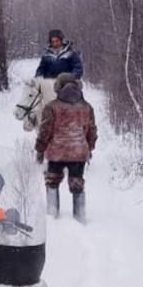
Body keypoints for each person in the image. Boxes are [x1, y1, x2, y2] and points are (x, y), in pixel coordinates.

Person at [35, 73, 97, 223]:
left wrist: (40, 148)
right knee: (77, 184)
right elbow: (92, 131)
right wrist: (89, 148)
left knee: (52, 182)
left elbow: (45, 131)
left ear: (58, 87)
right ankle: (79, 217)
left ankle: (52, 216)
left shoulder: (51, 107)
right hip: (78, 152)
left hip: (56, 153)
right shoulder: (86, 107)